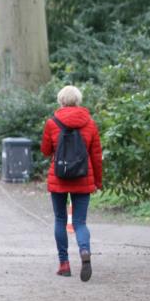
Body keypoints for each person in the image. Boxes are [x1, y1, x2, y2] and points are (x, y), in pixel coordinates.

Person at [40, 85, 103, 282]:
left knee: (60, 220)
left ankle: (64, 264)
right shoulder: (90, 124)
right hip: (83, 178)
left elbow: (44, 150)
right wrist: (98, 181)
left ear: (60, 101)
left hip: (59, 177)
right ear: (78, 101)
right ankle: (84, 251)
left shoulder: (52, 123)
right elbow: (96, 156)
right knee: (79, 222)